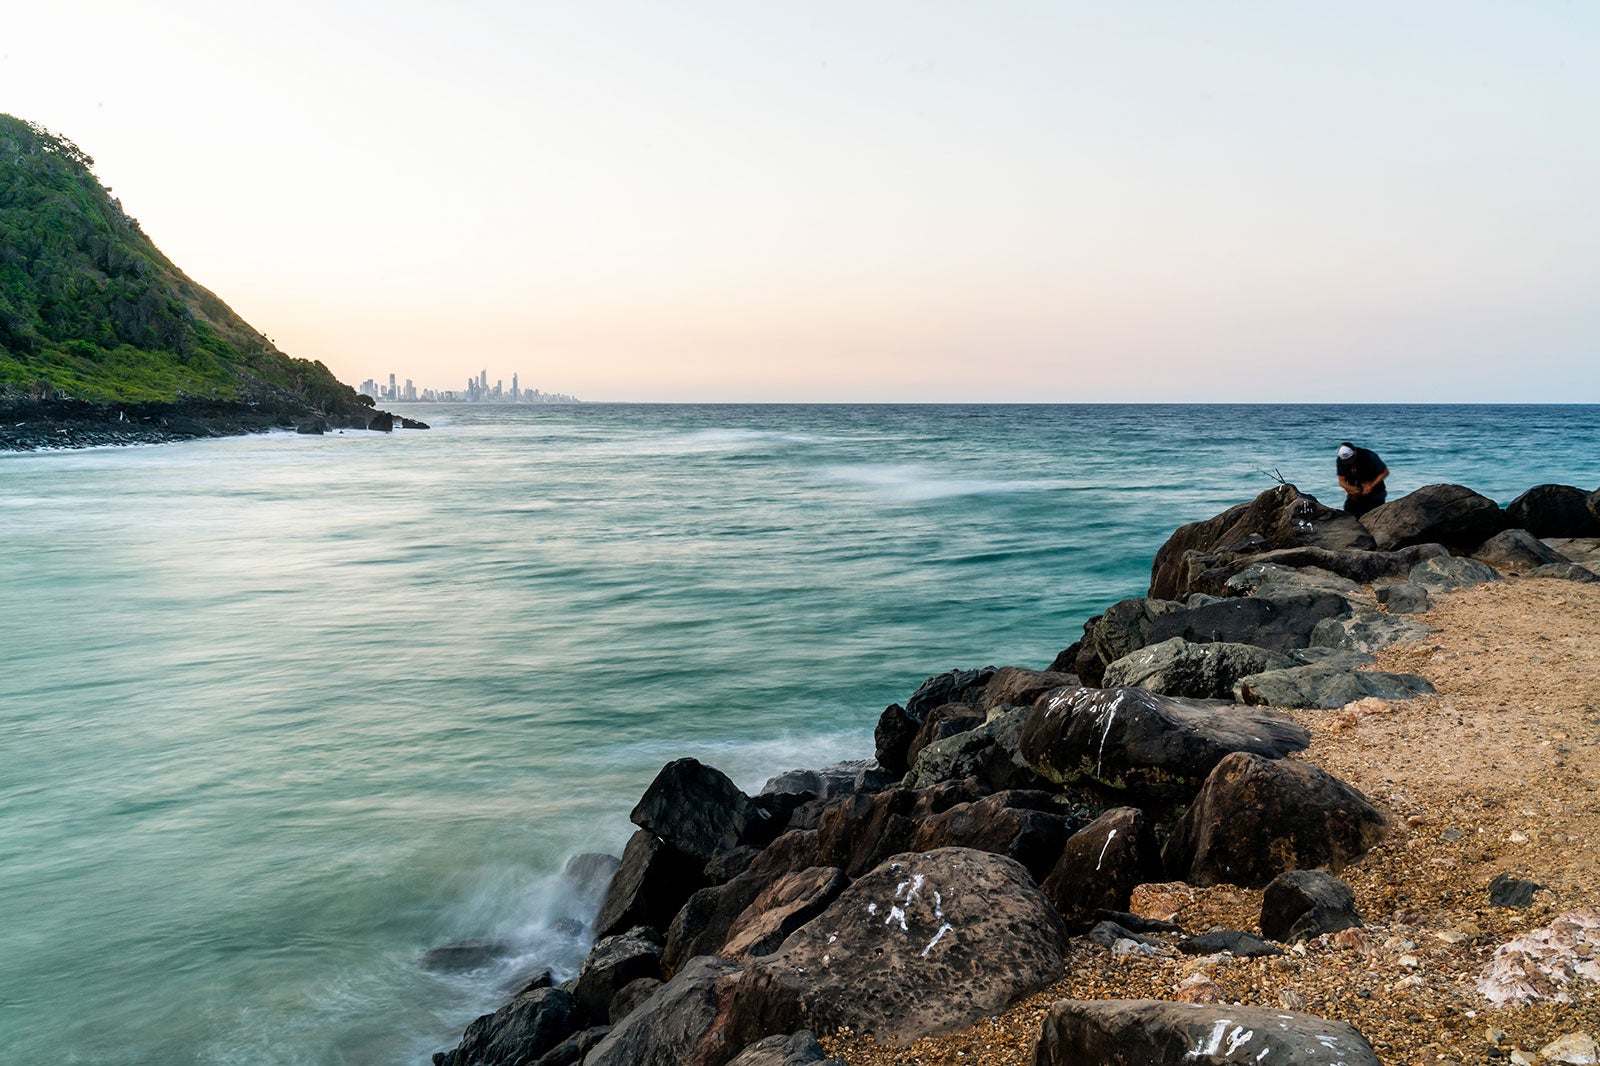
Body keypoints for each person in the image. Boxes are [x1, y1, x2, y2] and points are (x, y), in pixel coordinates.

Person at [1336, 442, 1388, 517]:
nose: (1349, 462)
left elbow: (1385, 472)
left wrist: (1371, 486)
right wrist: (1351, 488)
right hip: (1355, 495)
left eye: (1351, 459)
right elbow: (1342, 481)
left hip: (1375, 493)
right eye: (1347, 461)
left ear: (1355, 451)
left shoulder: (1370, 456)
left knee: (1373, 517)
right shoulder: (1341, 460)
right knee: (1349, 516)